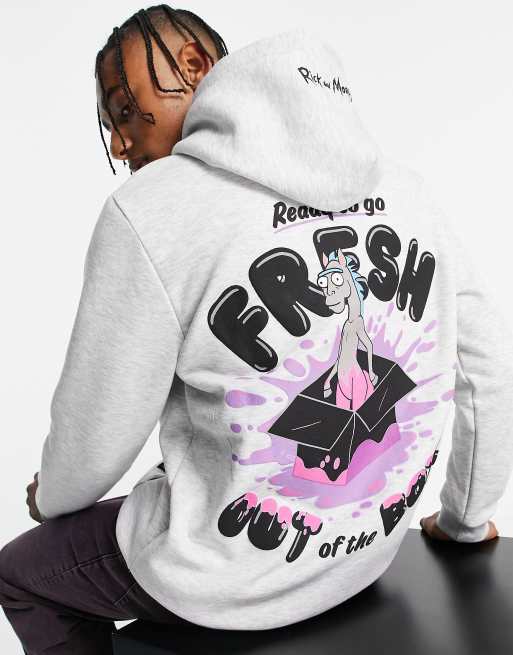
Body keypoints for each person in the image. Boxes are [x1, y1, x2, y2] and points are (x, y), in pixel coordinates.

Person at [0, 2, 509, 652]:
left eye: (125, 110)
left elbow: (97, 433)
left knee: (21, 575)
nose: (120, 144)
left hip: (225, 576)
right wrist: (465, 522)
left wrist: (51, 497)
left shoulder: (148, 209)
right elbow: (489, 367)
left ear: (192, 64)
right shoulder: (410, 192)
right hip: (365, 552)